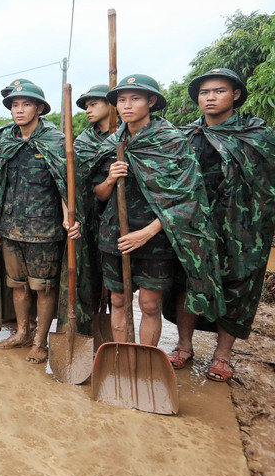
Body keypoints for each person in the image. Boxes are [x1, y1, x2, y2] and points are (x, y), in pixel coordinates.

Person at [90, 74, 222, 348]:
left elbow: (189, 198)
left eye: (135, 98)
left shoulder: (172, 142)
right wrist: (111, 179)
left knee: (149, 304)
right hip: (115, 234)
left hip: (155, 236)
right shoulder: (111, 144)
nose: (127, 105)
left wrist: (146, 233)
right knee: (117, 299)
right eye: (122, 100)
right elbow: (98, 195)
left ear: (151, 101)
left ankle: (145, 359)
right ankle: (122, 358)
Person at [169, 68, 275, 382]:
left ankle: (222, 356)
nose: (211, 97)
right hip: (196, 227)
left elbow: (268, 184)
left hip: (243, 229)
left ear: (236, 95)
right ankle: (184, 346)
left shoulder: (256, 135)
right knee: (189, 282)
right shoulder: (187, 136)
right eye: (205, 93)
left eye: (219, 91)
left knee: (237, 285)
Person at [0, 82, 81, 363]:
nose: (19, 110)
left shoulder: (55, 141)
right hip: (10, 227)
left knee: (42, 287)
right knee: (17, 284)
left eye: (26, 104)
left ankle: (40, 342)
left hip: (45, 229)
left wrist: (70, 217)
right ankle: (21, 332)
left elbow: (65, 183)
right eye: (15, 105)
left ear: (40, 108)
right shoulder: (5, 139)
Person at [74, 84, 114, 318]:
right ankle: (92, 320)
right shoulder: (83, 141)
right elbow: (76, 181)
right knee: (89, 273)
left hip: (126, 218)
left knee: (120, 283)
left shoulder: (130, 134)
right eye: (86, 106)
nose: (88, 110)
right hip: (90, 217)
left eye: (94, 104)